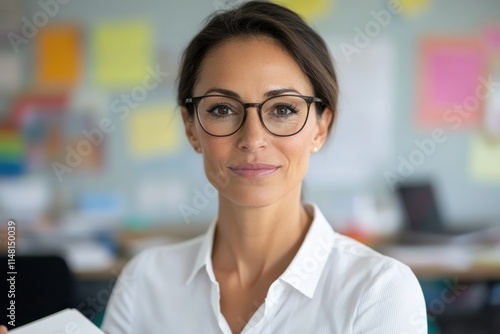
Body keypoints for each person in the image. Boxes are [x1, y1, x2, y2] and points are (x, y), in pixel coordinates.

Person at [0, 1, 427, 333]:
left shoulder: (380, 290)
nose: (253, 138)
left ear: (320, 127)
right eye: (222, 109)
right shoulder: (146, 280)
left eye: (282, 109)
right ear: (191, 127)